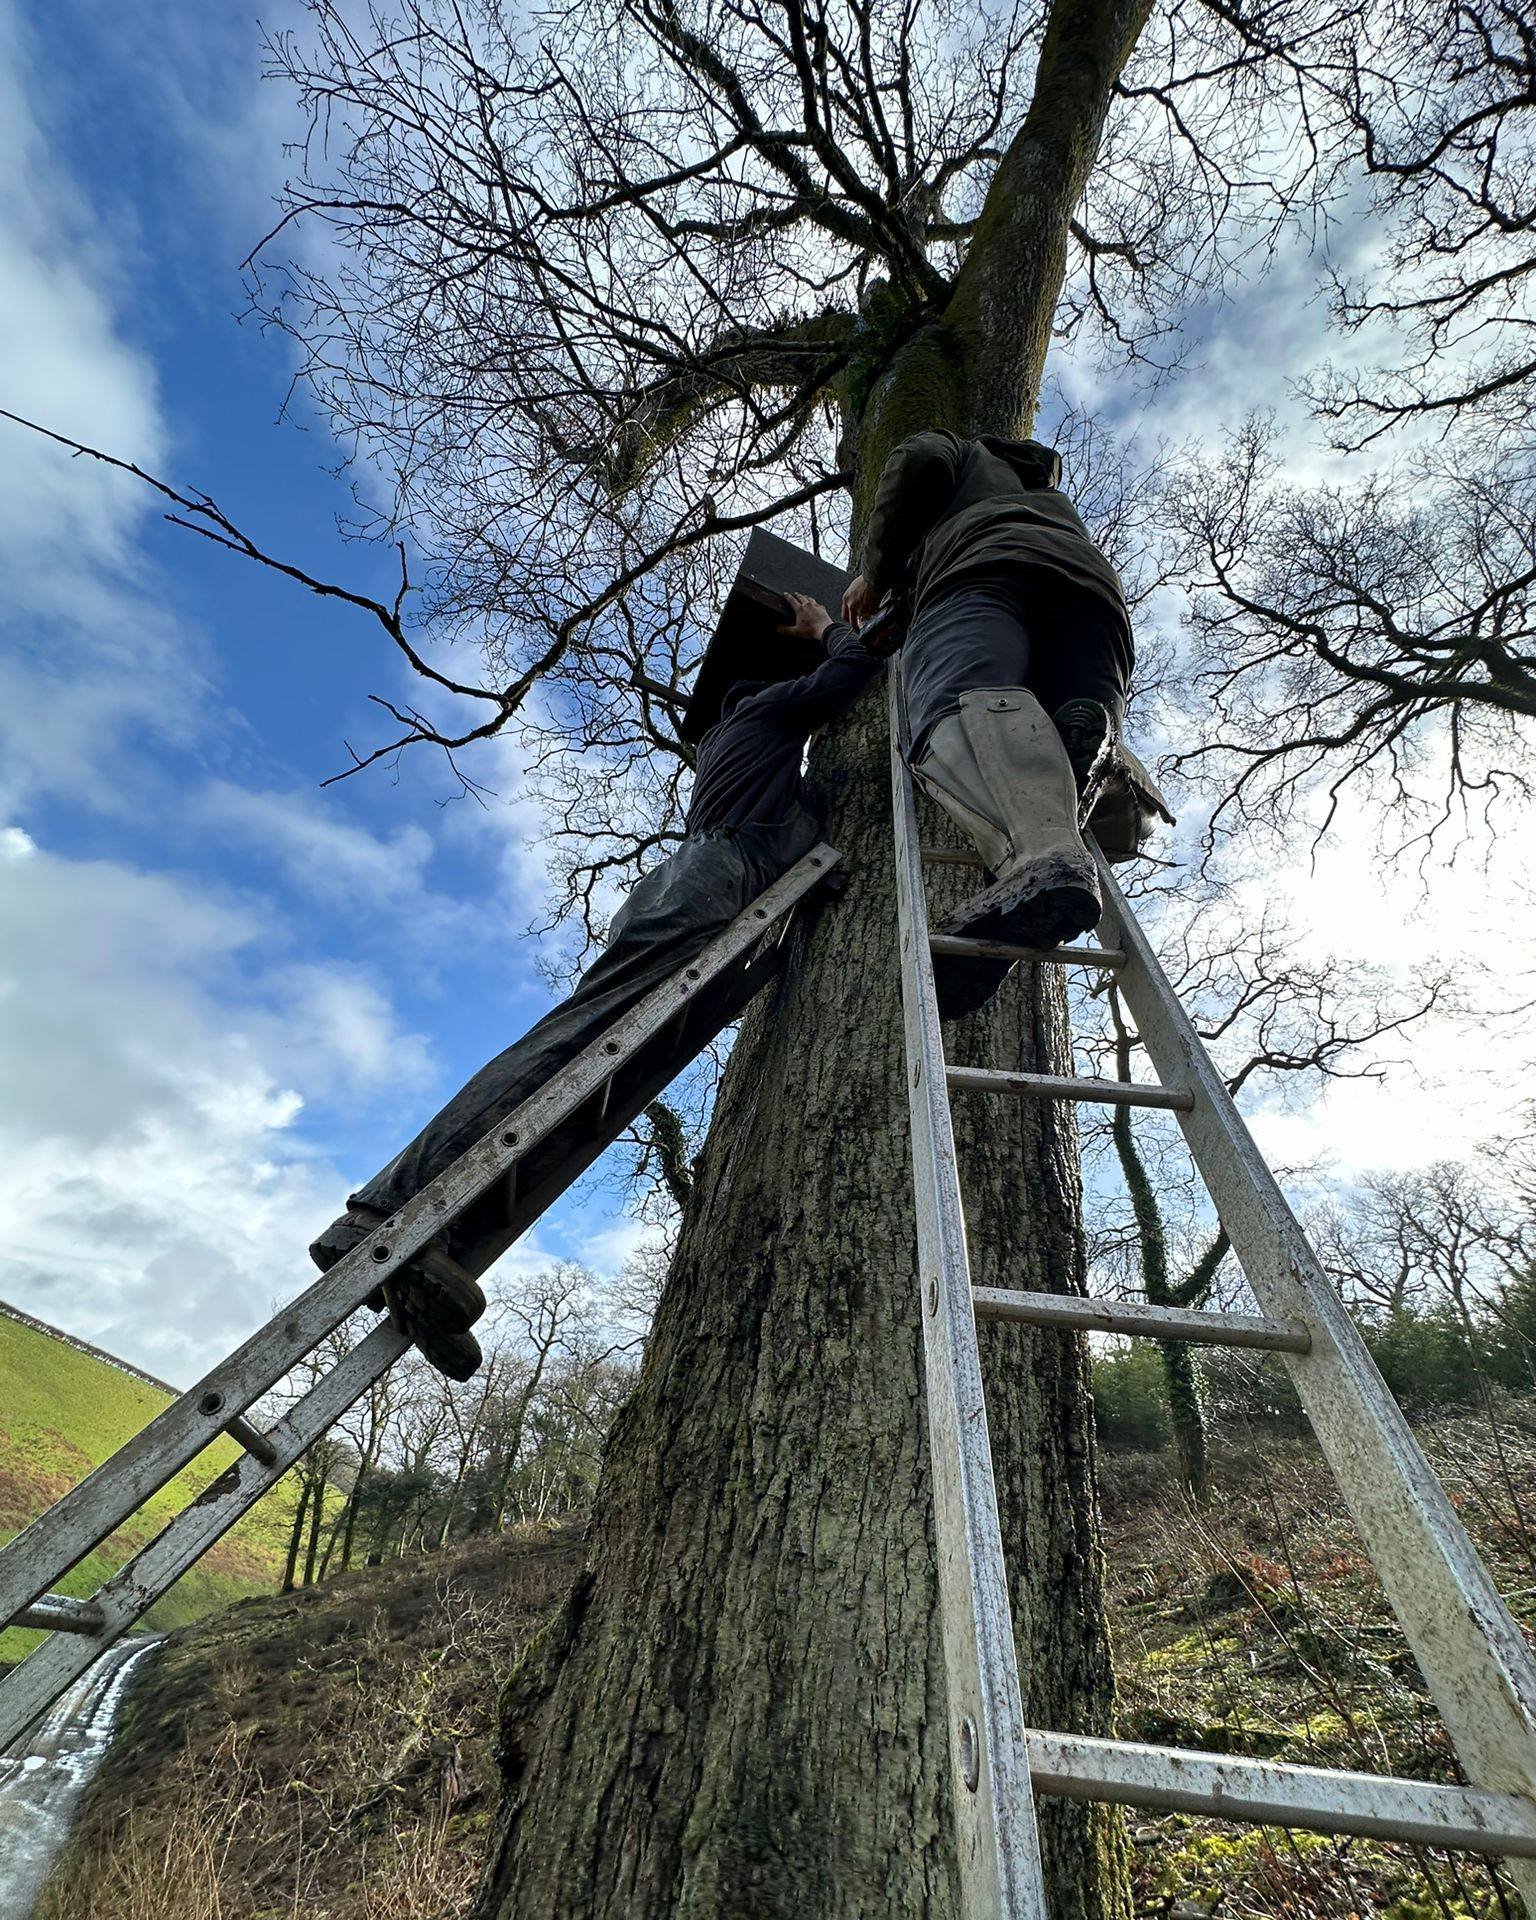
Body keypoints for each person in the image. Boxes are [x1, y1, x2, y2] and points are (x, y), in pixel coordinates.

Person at [309, 594, 881, 1377]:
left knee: (614, 1081)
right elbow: (853, 669)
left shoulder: (750, 763)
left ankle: (441, 1261)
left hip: (708, 889)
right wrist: (824, 630)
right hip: (707, 887)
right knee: (574, 1043)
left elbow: (795, 827)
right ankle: (380, 1213)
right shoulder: (763, 715)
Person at [842, 430, 1140, 1018]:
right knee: (1066, 731)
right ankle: (1074, 758)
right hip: (1094, 597)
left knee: (955, 710)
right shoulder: (1051, 502)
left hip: (982, 575)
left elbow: (917, 457)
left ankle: (1039, 859)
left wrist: (873, 572)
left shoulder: (964, 453)